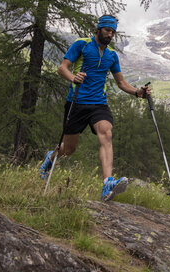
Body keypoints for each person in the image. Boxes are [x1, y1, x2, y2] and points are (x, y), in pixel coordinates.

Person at [39, 15, 150, 201]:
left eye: (113, 31)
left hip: (99, 103)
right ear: (98, 29)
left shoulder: (111, 55)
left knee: (106, 132)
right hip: (76, 101)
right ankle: (51, 157)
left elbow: (121, 82)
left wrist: (137, 92)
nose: (110, 34)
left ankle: (107, 183)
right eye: (107, 30)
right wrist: (73, 78)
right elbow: (62, 68)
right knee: (69, 150)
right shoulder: (81, 45)